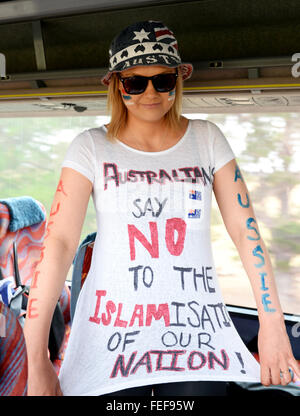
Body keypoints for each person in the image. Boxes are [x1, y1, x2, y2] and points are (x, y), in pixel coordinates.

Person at [24, 20, 300, 396]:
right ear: (117, 85)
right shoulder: (90, 147)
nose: (149, 92)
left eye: (163, 80)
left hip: (197, 336)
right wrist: (37, 358)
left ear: (178, 80)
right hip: (110, 339)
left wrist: (272, 325)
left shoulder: (206, 139)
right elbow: (58, 244)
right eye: (135, 83)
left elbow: (245, 232)